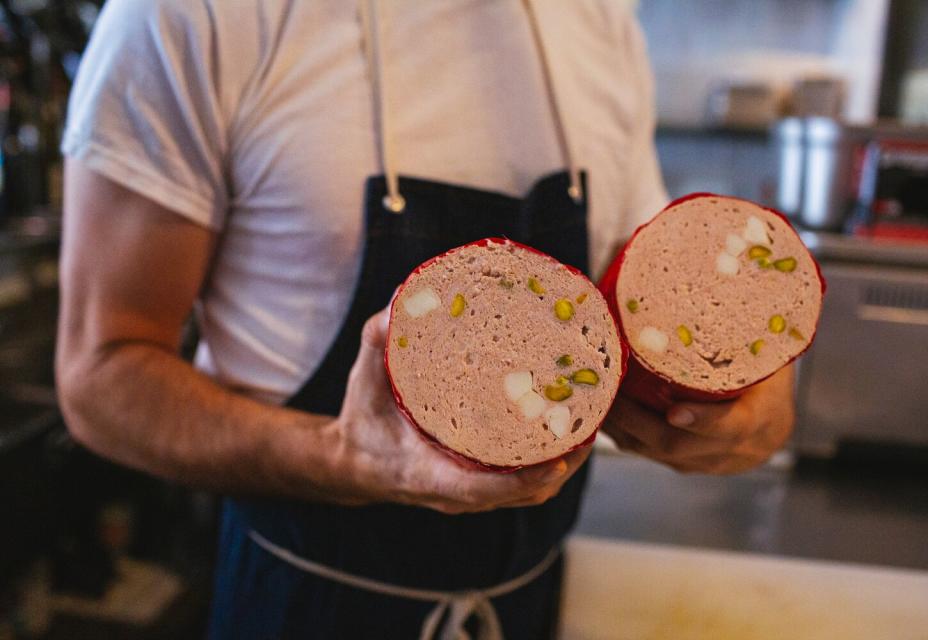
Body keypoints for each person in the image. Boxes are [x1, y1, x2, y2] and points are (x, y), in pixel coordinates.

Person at [56, 0, 795, 637]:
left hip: (527, 600)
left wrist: (739, 405)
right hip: (304, 605)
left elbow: (631, 309)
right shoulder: (196, 16)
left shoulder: (595, 18)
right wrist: (343, 458)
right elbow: (101, 374)